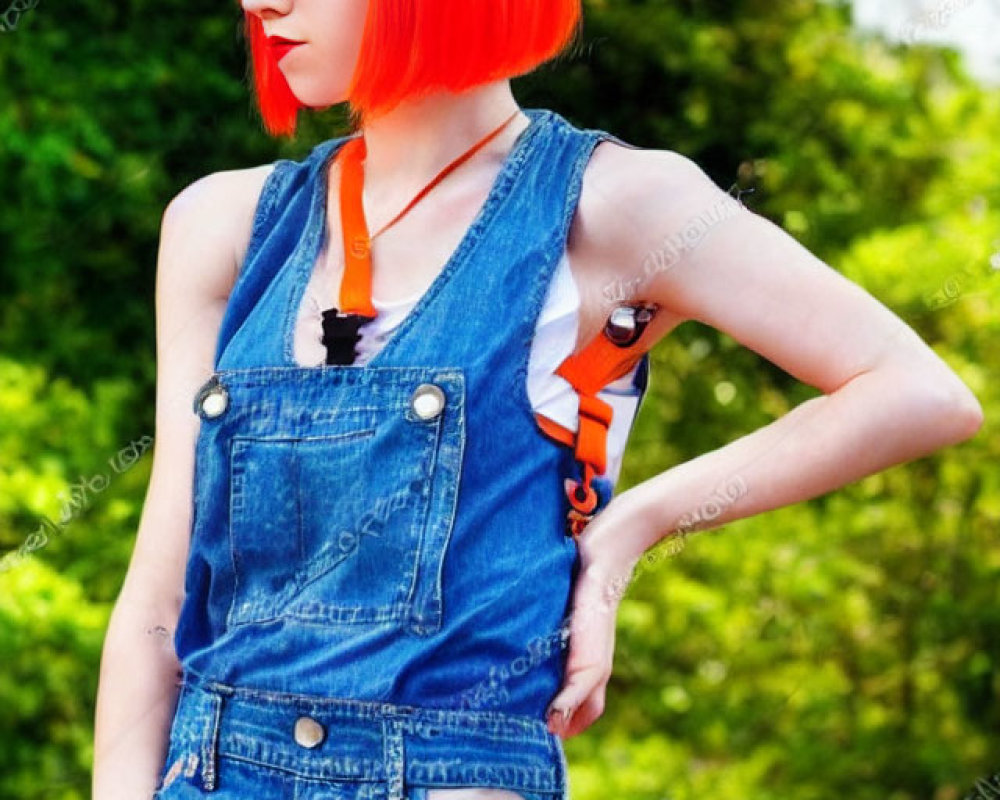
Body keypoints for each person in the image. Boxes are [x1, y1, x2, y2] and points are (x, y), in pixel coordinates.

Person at [91, 1, 986, 798]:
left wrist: (634, 525)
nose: (261, 3)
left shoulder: (615, 207)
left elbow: (914, 390)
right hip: (207, 768)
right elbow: (156, 610)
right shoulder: (224, 225)